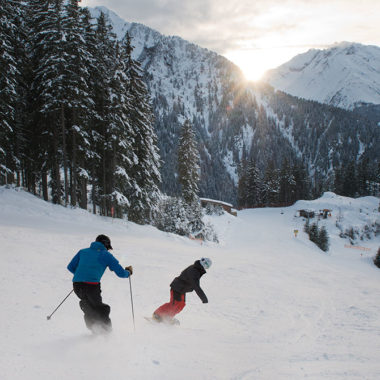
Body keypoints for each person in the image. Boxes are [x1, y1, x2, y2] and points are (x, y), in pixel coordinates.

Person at [67, 234, 133, 333]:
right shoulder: (106, 255)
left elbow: (70, 267)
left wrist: (82, 276)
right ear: (105, 245)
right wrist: (128, 273)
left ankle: (94, 329)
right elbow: (120, 273)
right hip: (92, 286)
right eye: (108, 248)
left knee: (88, 305)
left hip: (77, 285)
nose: (108, 250)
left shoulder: (82, 252)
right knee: (101, 309)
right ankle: (107, 334)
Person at [153, 257, 212, 324]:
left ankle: (167, 317)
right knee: (174, 304)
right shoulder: (194, 270)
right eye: (207, 265)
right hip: (177, 287)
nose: (206, 267)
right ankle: (157, 315)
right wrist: (204, 298)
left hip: (182, 289)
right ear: (204, 264)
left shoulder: (197, 269)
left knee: (181, 305)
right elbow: (196, 286)